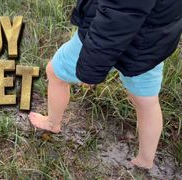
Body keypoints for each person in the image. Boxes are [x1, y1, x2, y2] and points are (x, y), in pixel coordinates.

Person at [28, 0, 182, 169]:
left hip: (102, 34)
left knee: (56, 73)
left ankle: (52, 123)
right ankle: (146, 160)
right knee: (147, 102)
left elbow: (117, 18)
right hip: (151, 41)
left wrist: (90, 71)